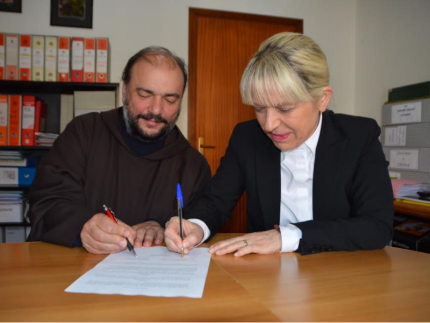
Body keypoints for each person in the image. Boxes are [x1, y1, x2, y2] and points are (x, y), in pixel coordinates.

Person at [165, 32, 394, 256]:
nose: (269, 124)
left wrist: (285, 237)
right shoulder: (247, 137)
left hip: (339, 276)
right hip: (268, 277)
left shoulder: (358, 136)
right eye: (259, 108)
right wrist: (196, 225)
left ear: (322, 99)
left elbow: (376, 227)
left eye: (285, 109)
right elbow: (216, 201)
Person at [28, 47, 211, 254]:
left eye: (170, 99)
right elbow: (45, 203)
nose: (156, 109)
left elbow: (198, 223)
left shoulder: (193, 165)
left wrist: (160, 226)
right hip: (76, 271)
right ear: (124, 90)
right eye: (144, 94)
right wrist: (83, 226)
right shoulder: (84, 133)